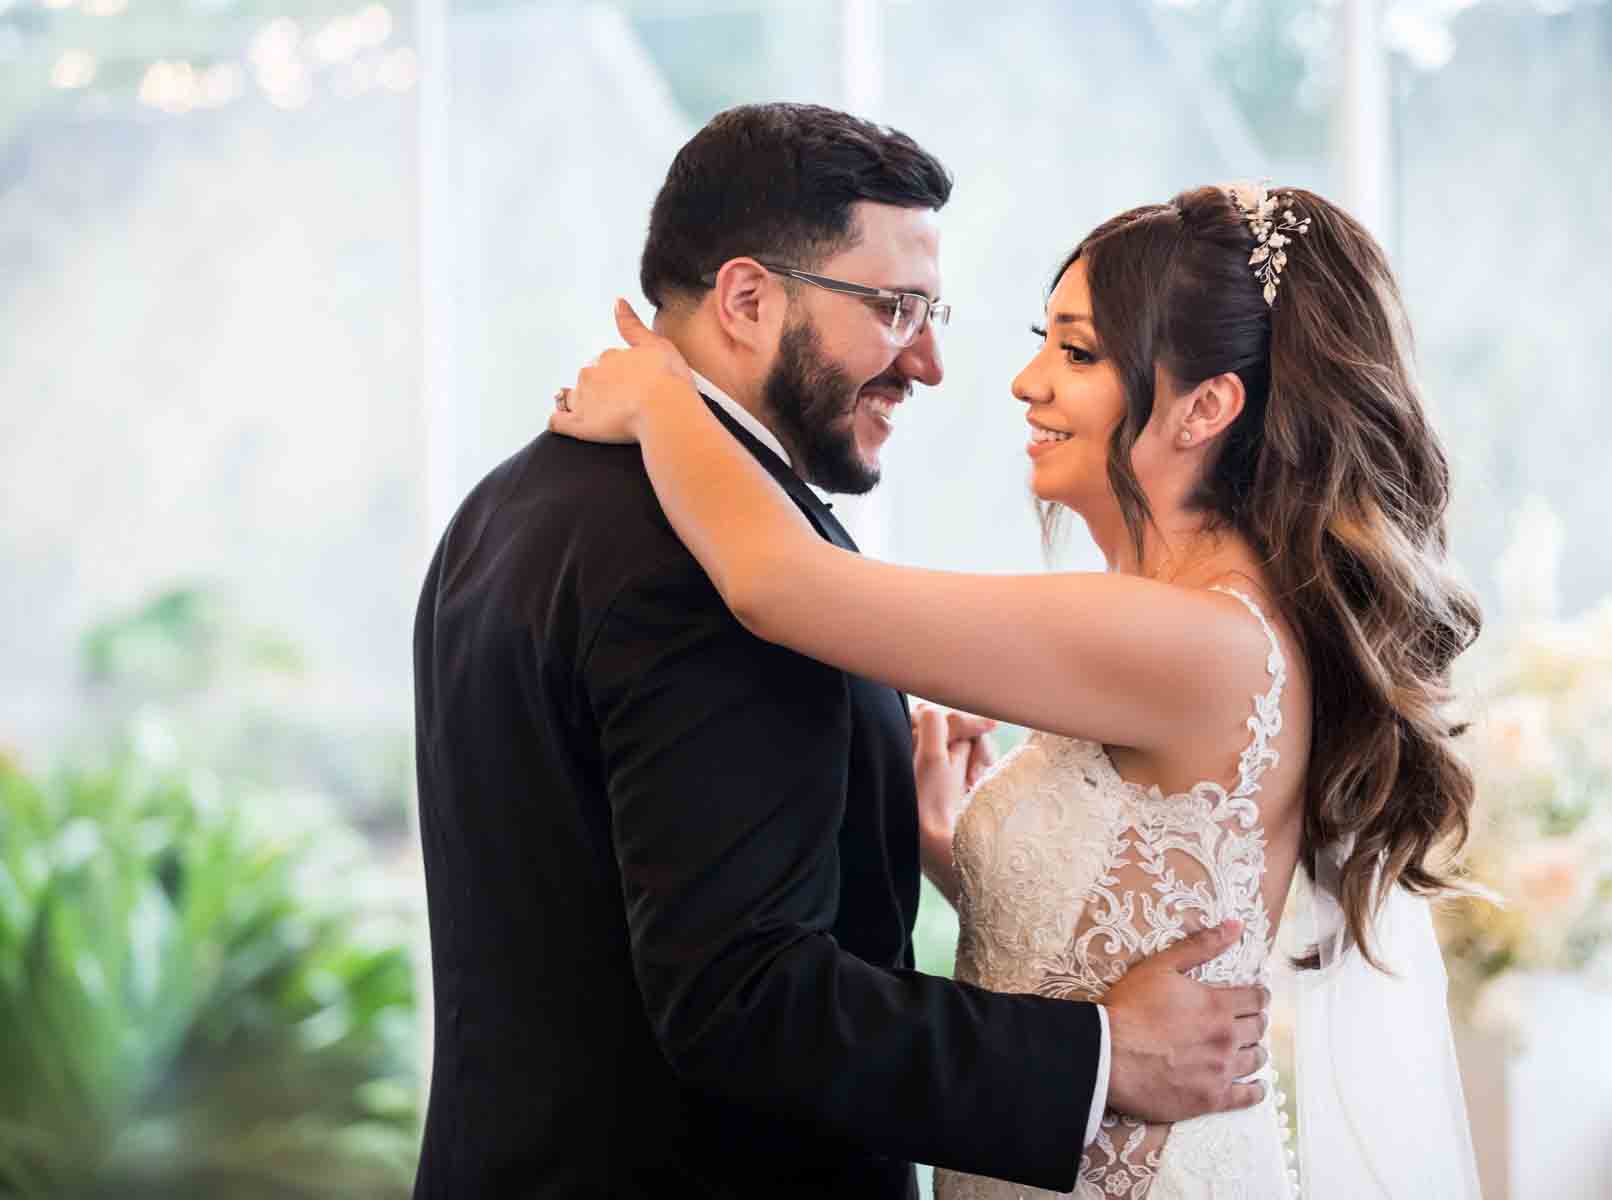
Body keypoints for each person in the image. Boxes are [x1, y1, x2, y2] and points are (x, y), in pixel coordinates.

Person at [550, 180, 1486, 1198]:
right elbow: (1135, 909)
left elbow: (781, 585)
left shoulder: (1194, 638)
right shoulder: (1189, 626)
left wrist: (660, 396)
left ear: (1207, 406)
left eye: (1077, 353)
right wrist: (964, 855)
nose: (1025, 382)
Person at [411, 103, 1270, 1200]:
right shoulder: (703, 562)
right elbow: (744, 994)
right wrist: (1104, 1057)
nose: (932, 362)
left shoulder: (511, 503)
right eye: (896, 308)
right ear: (749, 298)